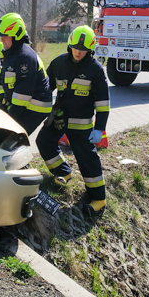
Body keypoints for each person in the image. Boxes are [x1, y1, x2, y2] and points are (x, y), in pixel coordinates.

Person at [36, 26, 109, 221]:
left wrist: (100, 128)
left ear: (90, 49)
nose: (78, 51)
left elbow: (102, 103)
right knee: (43, 142)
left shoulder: (95, 70)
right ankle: (64, 172)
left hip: (81, 125)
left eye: (83, 48)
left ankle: (98, 199)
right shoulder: (59, 63)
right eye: (75, 47)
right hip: (59, 119)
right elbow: (45, 87)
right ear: (70, 44)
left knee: (87, 160)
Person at [0, 13, 52, 134]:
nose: (2, 39)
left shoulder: (25, 57)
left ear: (16, 36)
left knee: (12, 137)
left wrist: (8, 118)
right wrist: (2, 101)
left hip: (35, 106)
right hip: (22, 104)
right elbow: (5, 82)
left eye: (5, 35)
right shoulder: (11, 54)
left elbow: (23, 94)